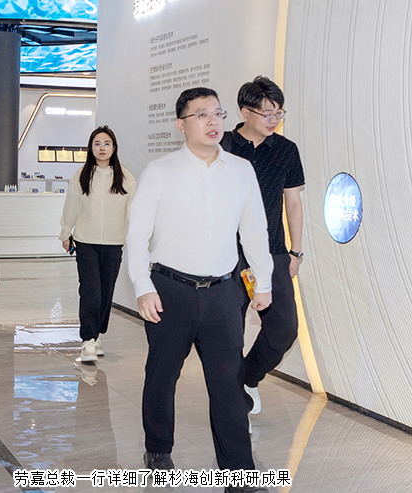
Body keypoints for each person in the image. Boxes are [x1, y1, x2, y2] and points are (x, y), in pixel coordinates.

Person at [126, 87, 273, 493]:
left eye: (218, 114)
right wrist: (142, 286)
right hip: (169, 290)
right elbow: (136, 235)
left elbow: (254, 230)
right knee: (162, 376)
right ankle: (158, 448)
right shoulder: (160, 172)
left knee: (227, 384)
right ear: (181, 124)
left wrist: (263, 282)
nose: (213, 121)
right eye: (202, 114)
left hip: (223, 294)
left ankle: (239, 473)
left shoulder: (241, 170)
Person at [221, 76, 305, 415]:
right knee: (229, 333)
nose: (274, 120)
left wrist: (295, 252)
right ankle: (231, 399)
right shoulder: (222, 146)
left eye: (278, 113)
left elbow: (293, 203)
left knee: (284, 329)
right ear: (246, 112)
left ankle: (247, 378)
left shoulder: (286, 150)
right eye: (267, 114)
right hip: (226, 254)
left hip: (272, 253)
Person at [59, 125, 136, 363]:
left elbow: (131, 211)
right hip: (86, 243)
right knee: (90, 291)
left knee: (105, 292)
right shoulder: (81, 175)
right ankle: (88, 340)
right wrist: (65, 233)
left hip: (114, 243)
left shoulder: (125, 177)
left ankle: (96, 336)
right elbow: (71, 206)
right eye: (97, 144)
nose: (102, 148)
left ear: (114, 148)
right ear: (91, 148)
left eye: (106, 144)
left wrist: (134, 238)